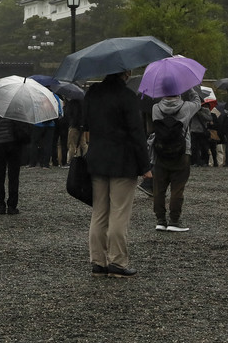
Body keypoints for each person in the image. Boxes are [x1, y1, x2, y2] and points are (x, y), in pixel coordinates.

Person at [83, 70, 152, 278]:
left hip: (97, 159)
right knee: (119, 212)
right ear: (126, 73)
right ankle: (117, 262)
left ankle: (98, 262)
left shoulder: (92, 94)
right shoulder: (127, 97)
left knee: (99, 212)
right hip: (123, 161)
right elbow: (136, 133)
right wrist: (145, 166)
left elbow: (86, 124)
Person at [151, 88, 201, 232]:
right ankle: (174, 220)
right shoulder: (186, 107)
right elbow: (198, 102)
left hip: (160, 151)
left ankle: (160, 220)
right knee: (177, 188)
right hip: (182, 152)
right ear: (178, 92)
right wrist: (189, 88)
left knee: (158, 188)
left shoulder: (155, 108)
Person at [0, 110, 25, 214]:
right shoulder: (15, 107)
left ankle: (1, 205)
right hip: (13, 144)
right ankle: (12, 206)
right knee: (13, 176)